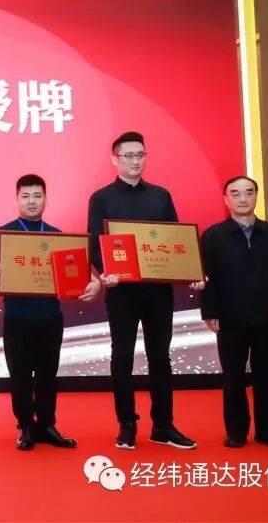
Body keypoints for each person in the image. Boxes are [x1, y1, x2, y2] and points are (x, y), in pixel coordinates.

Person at [87, 131, 196, 450]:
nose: (135, 161)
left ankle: (163, 425)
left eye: (140, 155)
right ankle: (127, 423)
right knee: (122, 356)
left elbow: (176, 241)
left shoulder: (161, 196)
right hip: (122, 291)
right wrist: (105, 272)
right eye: (129, 156)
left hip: (158, 290)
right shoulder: (102, 198)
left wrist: (189, 269)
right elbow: (95, 242)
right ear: (115, 159)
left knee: (160, 356)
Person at [0, 174, 101, 450]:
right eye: (25, 196)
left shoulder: (57, 236)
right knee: (20, 374)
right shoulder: (3, 235)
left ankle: (47, 424)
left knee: (48, 373)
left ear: (46, 200)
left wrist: (95, 284)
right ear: (17, 200)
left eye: (37, 196)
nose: (32, 201)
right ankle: (25, 425)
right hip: (17, 317)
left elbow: (80, 272)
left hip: (50, 317)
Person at [200, 176, 268, 449]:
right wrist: (209, 312)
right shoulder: (213, 235)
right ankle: (236, 432)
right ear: (226, 199)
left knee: (265, 375)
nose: (243, 198)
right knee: (233, 377)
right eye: (236, 193)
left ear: (256, 196)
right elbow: (206, 277)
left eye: (249, 192)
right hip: (230, 318)